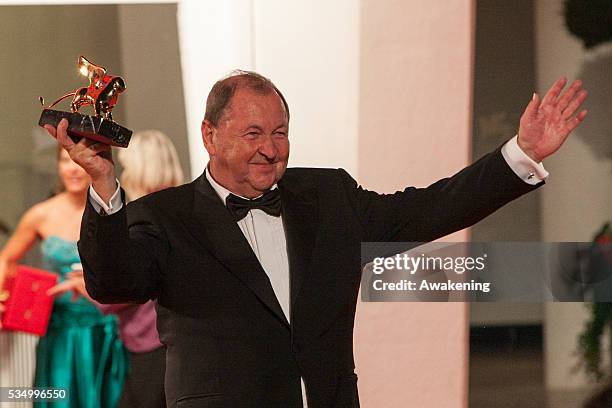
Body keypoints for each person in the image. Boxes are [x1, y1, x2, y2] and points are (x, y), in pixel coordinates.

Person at [48, 71, 587, 407]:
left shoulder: (328, 195)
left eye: (280, 132)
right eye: (253, 133)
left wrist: (520, 154)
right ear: (210, 136)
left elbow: (429, 209)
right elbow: (112, 281)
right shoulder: (164, 216)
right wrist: (103, 185)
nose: (271, 148)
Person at [50, 130, 184, 408]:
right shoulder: (179, 208)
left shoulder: (140, 216)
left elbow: (126, 289)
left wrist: (84, 285)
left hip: (151, 342)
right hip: (164, 341)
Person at [0, 148, 128, 408]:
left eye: (78, 162)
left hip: (105, 328)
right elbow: (6, 259)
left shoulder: (114, 212)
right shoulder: (41, 214)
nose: (72, 169)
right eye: (64, 161)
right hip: (59, 329)